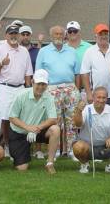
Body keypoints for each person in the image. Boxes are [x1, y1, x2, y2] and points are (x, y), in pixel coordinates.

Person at [35, 25, 80, 160]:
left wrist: (76, 89)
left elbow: (77, 73)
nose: (59, 36)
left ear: (64, 35)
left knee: (71, 121)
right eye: (56, 34)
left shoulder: (72, 51)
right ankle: (56, 151)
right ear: (51, 36)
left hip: (70, 88)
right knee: (54, 121)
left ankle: (72, 150)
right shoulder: (43, 51)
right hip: (52, 89)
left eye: (61, 34)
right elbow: (38, 73)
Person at [7, 69, 60, 173]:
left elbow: (53, 119)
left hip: (37, 130)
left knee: (55, 129)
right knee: (22, 168)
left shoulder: (48, 97)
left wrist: (37, 128)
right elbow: (12, 117)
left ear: (47, 84)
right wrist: (28, 128)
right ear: (32, 82)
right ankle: (18, 156)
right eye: (38, 83)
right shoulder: (21, 95)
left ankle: (50, 163)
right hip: (19, 132)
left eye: (43, 84)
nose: (40, 87)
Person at [0, 24, 34, 154]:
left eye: (16, 33)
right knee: (4, 118)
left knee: (20, 117)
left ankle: (19, 145)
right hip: (4, 87)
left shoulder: (24, 51)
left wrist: (28, 89)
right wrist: (2, 63)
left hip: (20, 88)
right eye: (11, 33)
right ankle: (6, 144)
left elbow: (28, 73)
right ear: (6, 35)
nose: (13, 36)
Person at [72, 87, 110, 175]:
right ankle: (85, 164)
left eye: (104, 98)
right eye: (98, 97)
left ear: (107, 98)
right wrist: (79, 111)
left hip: (106, 147)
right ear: (93, 98)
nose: (101, 100)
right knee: (77, 147)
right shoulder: (86, 109)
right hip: (88, 146)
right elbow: (78, 124)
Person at [80, 23, 110, 105]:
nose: (103, 36)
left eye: (106, 34)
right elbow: (85, 73)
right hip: (96, 95)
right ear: (95, 37)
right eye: (100, 34)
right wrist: (89, 94)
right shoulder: (89, 51)